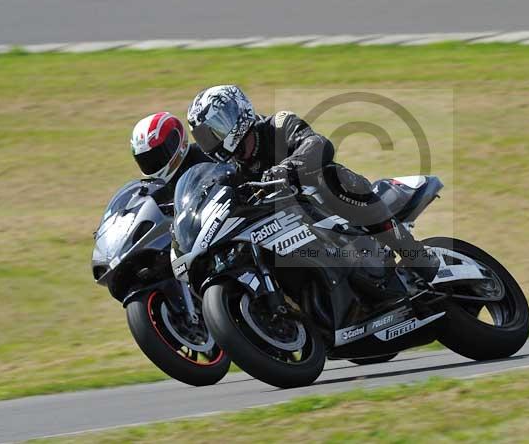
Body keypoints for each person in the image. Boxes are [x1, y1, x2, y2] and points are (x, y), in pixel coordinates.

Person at [185, 85, 439, 294]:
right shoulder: (229, 169)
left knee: (333, 176)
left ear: (236, 114)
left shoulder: (277, 125)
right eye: (206, 135)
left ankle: (413, 253)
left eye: (215, 130)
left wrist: (288, 169)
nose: (213, 141)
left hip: (324, 208)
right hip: (281, 229)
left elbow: (317, 143)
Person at [130, 112, 213, 196]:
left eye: (157, 155)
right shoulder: (155, 188)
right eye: (145, 160)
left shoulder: (208, 157)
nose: (152, 163)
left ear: (174, 142)